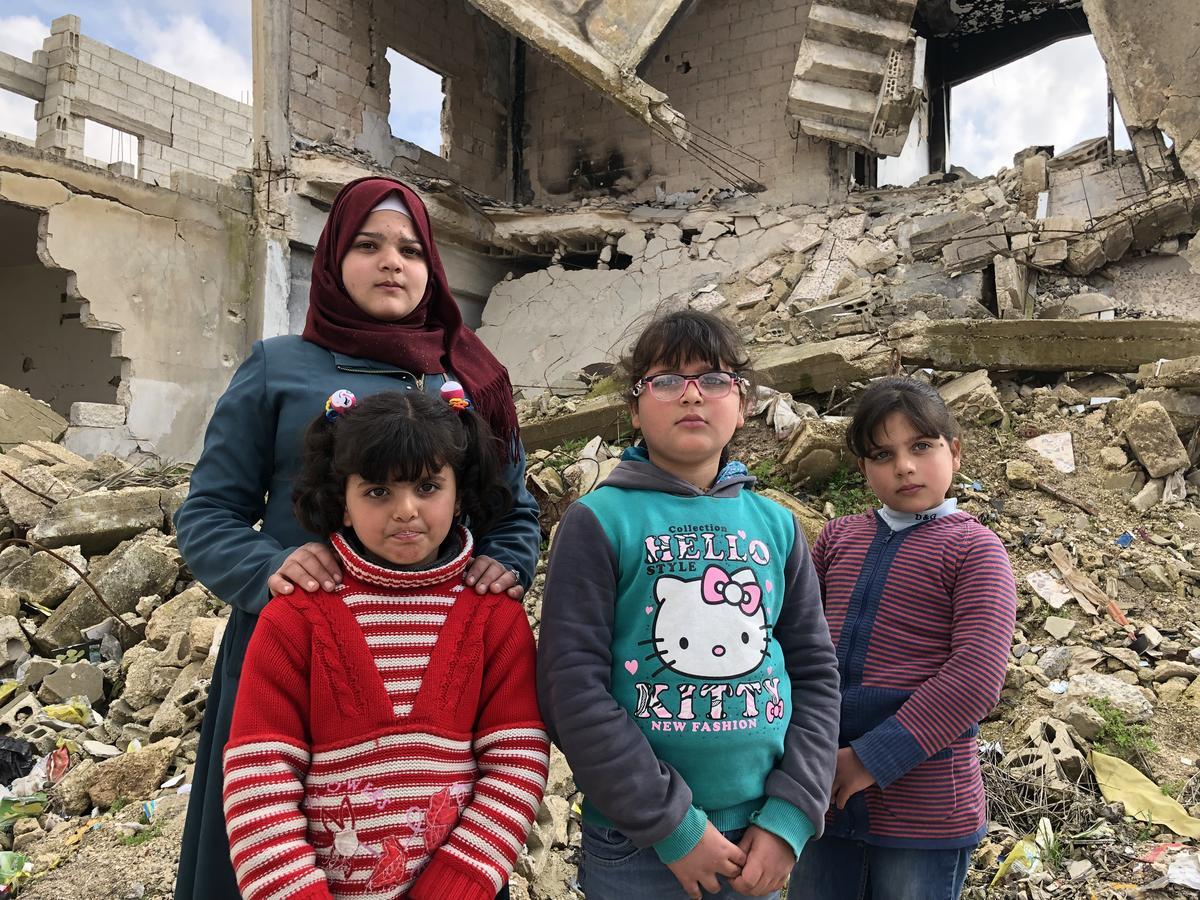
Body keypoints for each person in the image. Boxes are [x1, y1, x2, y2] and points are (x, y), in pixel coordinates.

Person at [174, 177, 541, 900]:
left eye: (410, 249)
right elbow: (207, 515)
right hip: (297, 655)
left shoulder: (469, 376)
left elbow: (513, 510)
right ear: (332, 259)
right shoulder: (279, 368)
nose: (391, 263)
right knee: (273, 837)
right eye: (367, 245)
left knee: (439, 843)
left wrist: (503, 566)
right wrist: (272, 567)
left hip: (438, 660)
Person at [537, 310, 841, 900]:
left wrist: (793, 815)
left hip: (761, 837)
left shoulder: (775, 526)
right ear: (634, 409)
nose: (692, 395)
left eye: (715, 380)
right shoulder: (598, 521)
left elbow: (815, 673)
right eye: (667, 380)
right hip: (638, 842)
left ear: (742, 404)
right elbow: (570, 686)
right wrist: (672, 825)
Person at [222, 388, 549, 899]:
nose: (405, 510)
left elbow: (516, 763)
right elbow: (259, 780)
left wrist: (451, 890)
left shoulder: (493, 616)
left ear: (459, 495)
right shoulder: (295, 617)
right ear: (343, 504)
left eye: (427, 486)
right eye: (377, 491)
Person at [791, 376, 1017, 900]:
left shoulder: (974, 550)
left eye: (921, 446)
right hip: (824, 797)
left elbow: (975, 680)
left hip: (926, 811)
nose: (904, 466)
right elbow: (799, 649)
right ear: (864, 467)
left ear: (954, 452)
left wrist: (868, 759)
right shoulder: (837, 539)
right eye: (882, 453)